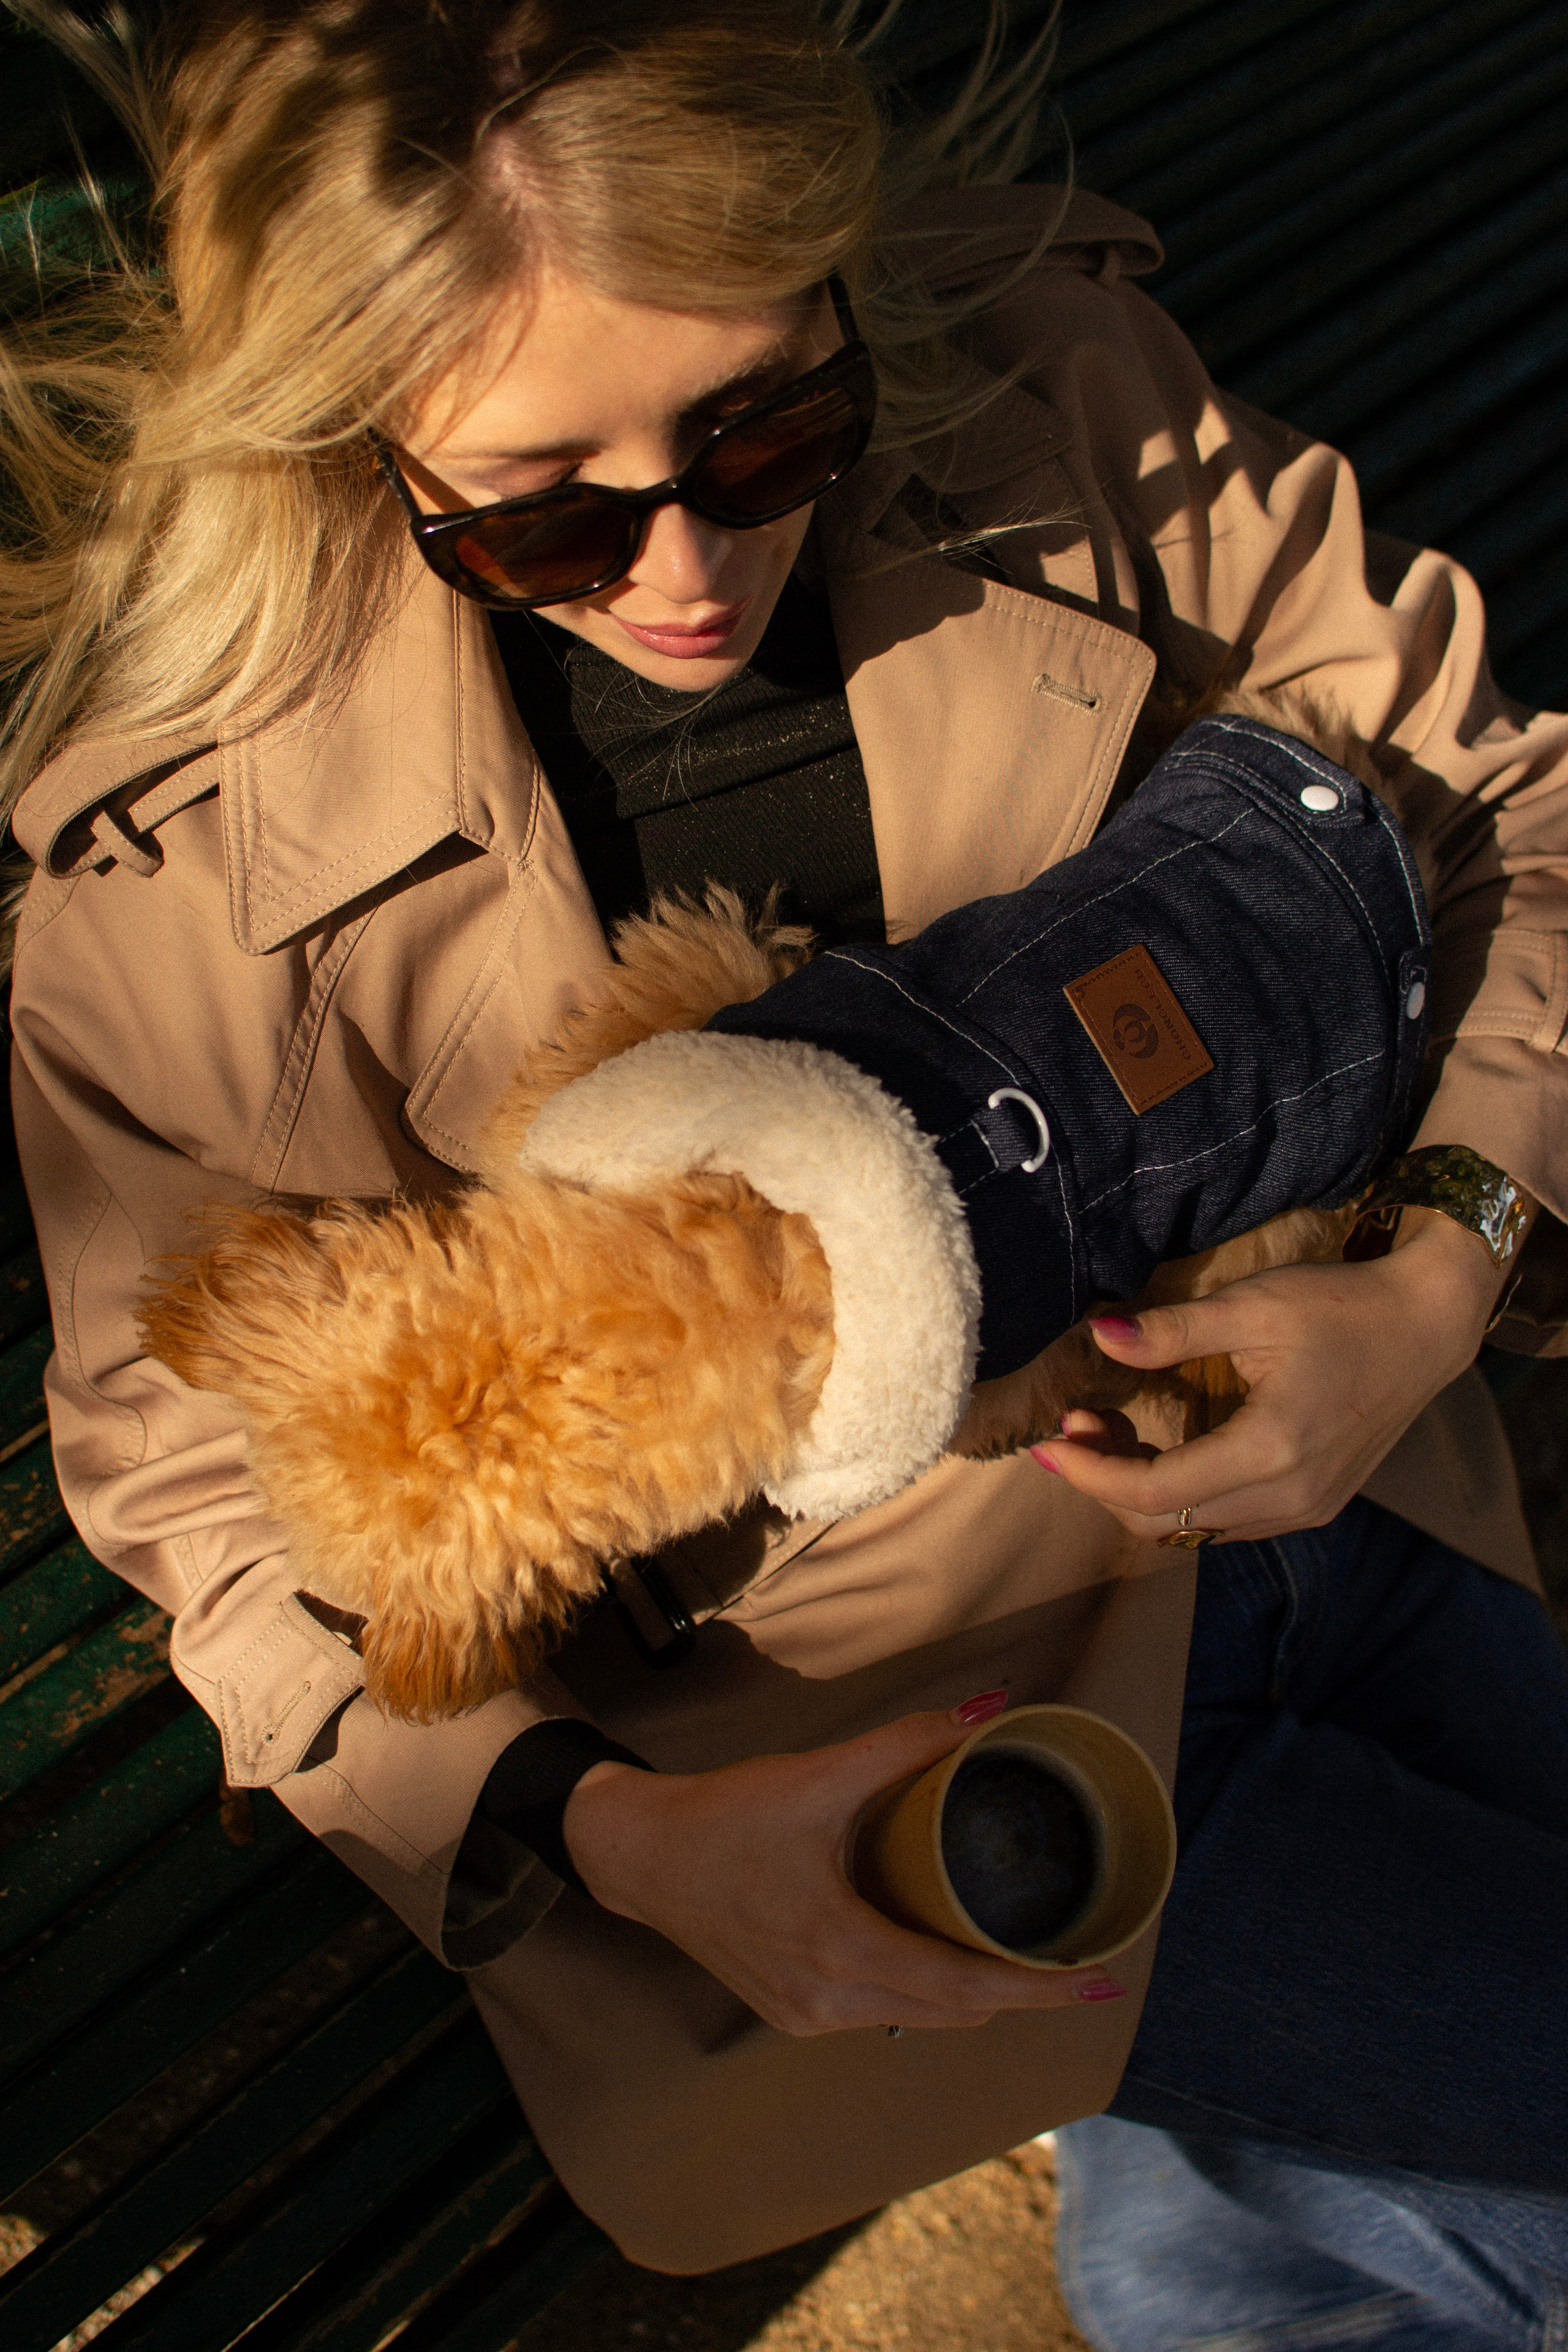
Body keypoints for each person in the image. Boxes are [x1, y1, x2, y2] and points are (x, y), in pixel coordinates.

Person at [2, 0, 1566, 2330]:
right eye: (541, 509)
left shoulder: (1043, 393)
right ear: (352, 434)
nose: (691, 562)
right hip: (908, 1731)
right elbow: (214, 1506)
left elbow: (1504, 796)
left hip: (1362, 1475)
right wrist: (614, 1836)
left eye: (768, 425)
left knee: (1271, 2260)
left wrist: (1441, 1270)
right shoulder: (185, 881)